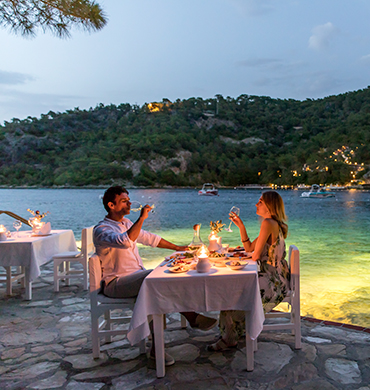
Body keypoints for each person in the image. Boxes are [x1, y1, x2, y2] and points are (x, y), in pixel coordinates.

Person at [93, 186, 217, 364]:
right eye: (123, 201)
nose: (129, 203)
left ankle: (157, 350)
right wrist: (142, 218)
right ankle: (191, 317)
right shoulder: (102, 230)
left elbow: (150, 238)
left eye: (128, 199)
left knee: (157, 286)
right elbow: (125, 241)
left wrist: (178, 248)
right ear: (111, 205)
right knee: (155, 278)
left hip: (135, 277)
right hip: (115, 283)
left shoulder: (126, 223)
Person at [208, 191, 290, 351]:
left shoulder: (268, 223)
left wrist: (232, 261)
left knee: (231, 294)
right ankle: (232, 333)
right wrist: (241, 226)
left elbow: (255, 256)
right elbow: (249, 248)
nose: (256, 204)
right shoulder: (273, 223)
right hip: (279, 281)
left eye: (260, 201)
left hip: (272, 286)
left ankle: (229, 337)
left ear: (269, 206)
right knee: (234, 290)